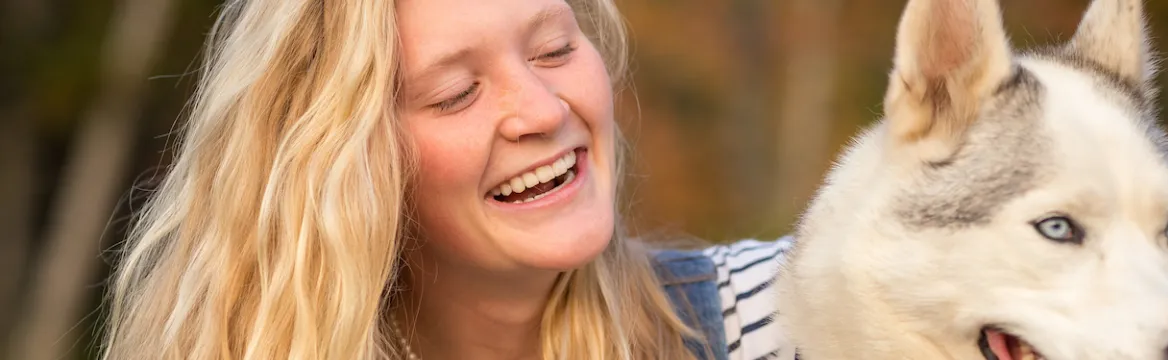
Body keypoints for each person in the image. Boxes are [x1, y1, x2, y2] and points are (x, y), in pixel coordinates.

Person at [100, 0, 795, 359]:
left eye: (554, 49)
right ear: (347, 169)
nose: (545, 110)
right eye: (456, 93)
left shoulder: (786, 316)